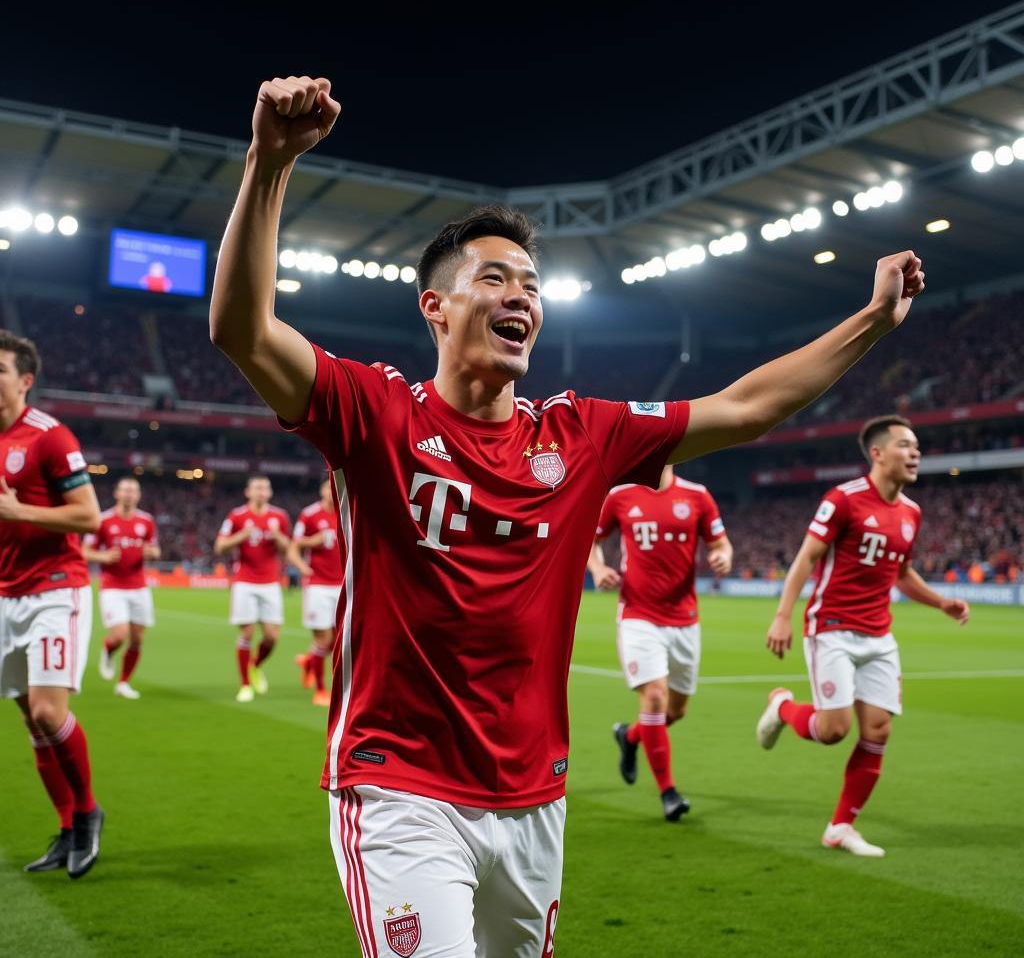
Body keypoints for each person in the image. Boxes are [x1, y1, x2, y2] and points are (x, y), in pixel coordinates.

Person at [210, 73, 925, 955]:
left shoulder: (583, 434)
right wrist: (270, 163)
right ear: (435, 307)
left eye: (532, 284)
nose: (522, 295)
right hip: (398, 789)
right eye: (494, 277)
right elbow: (243, 331)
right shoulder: (376, 415)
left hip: (536, 796)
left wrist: (872, 321)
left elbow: (746, 408)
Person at [756, 415, 970, 857]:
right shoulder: (844, 500)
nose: (916, 453)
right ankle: (781, 706)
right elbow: (806, 558)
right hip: (831, 627)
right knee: (834, 730)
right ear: (877, 453)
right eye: (905, 446)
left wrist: (940, 602)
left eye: (917, 447)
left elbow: (903, 573)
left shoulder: (911, 512)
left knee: (878, 729)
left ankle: (840, 827)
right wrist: (782, 615)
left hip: (878, 635)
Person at [0, 329, 104, 878]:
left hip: (54, 587)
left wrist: (23, 514)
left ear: (25, 380)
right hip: (5, 593)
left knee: (48, 711)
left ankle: (88, 814)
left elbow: (90, 517)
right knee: (31, 722)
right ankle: (66, 829)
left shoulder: (48, 436)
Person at [589, 465, 733, 820]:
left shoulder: (697, 496)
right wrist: (597, 568)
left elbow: (721, 543)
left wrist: (723, 557)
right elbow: (592, 539)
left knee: (676, 711)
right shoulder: (619, 496)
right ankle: (668, 792)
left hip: (685, 619)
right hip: (638, 614)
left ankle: (631, 736)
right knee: (655, 696)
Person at [214, 475, 290, 702]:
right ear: (248, 492)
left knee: (272, 636)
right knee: (246, 632)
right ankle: (245, 684)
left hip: (270, 582)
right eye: (257, 487)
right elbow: (220, 547)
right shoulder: (237, 516)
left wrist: (278, 537)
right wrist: (241, 536)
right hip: (244, 581)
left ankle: (255, 666)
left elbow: (288, 548)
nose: (261, 491)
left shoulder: (279, 516)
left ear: (270, 492)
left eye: (265, 487)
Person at [82, 477, 160, 699]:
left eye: (133, 490)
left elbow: (155, 549)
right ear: (117, 493)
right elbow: (84, 551)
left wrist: (152, 553)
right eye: (125, 490)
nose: (129, 494)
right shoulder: (103, 520)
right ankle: (108, 649)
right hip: (112, 586)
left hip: (139, 587)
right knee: (119, 634)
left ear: (138, 495)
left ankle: (123, 682)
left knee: (137, 638)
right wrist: (103, 555)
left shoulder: (146, 521)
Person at [288, 478, 341, 707]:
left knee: (338, 639)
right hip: (318, 584)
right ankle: (320, 690)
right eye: (327, 488)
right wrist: (303, 568)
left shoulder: (347, 510)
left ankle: (309, 661)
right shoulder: (309, 514)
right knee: (324, 639)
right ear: (321, 490)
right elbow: (294, 547)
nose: (331, 492)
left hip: (343, 585)